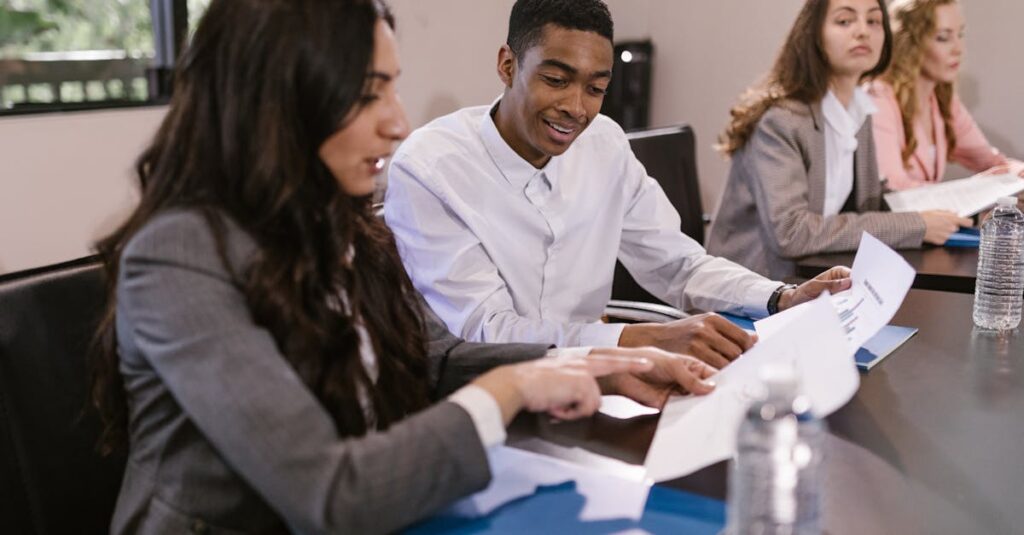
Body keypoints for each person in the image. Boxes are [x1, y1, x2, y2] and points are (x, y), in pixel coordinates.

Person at [87, 1, 721, 533]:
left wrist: (592, 368)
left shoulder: (343, 225)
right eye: (368, 94)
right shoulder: (178, 257)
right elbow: (329, 493)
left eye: (392, 87)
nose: (398, 123)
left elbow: (434, 357)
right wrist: (508, 390)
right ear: (278, 100)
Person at [384, 0, 852, 369]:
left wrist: (781, 297)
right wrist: (636, 340)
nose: (577, 107)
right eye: (555, 79)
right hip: (494, 394)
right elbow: (486, 333)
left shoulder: (604, 143)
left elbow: (679, 265)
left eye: (595, 88)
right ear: (508, 65)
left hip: (601, 378)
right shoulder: (431, 168)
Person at [706, 0, 972, 280]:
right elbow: (791, 233)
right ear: (814, 35)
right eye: (845, 21)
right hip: (754, 289)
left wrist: (953, 212)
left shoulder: (859, 110)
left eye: (873, 21)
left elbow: (868, 204)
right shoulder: (781, 121)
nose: (863, 32)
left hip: (815, 282)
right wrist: (915, 225)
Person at [869, 0, 1024, 191]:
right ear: (908, 43)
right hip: (894, 220)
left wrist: (1018, 174)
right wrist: (973, 193)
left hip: (931, 219)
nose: (959, 49)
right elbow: (894, 187)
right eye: (943, 38)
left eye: (960, 35)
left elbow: (992, 161)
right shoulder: (877, 98)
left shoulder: (943, 101)